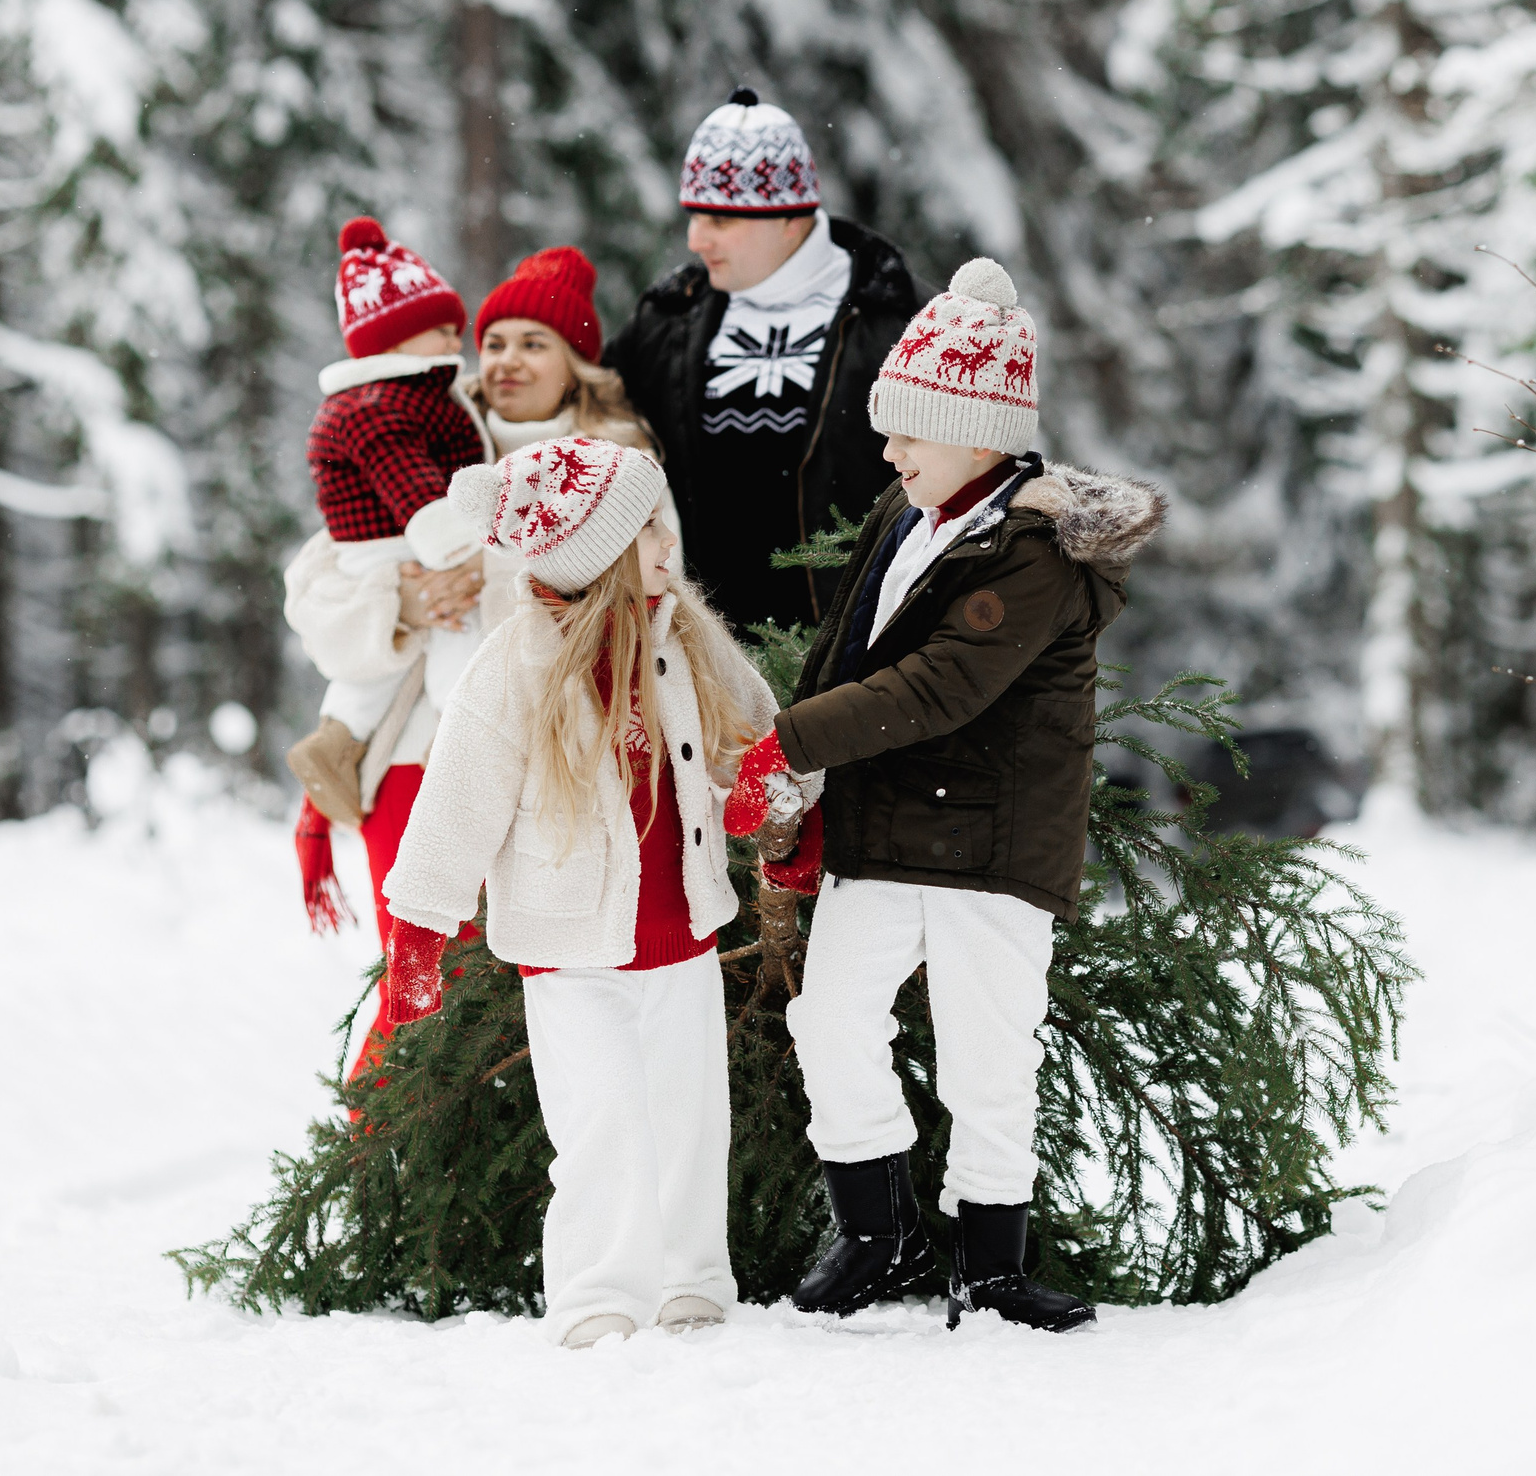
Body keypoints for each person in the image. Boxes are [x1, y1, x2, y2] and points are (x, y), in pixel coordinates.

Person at [724, 258, 1165, 1333]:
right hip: (884, 830)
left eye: (908, 430)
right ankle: (879, 1233)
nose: (890, 450)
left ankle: (991, 1261)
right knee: (828, 1023)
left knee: (987, 1052)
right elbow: (846, 653)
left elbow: (940, 687)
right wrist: (805, 783)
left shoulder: (1035, 552)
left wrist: (788, 742)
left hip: (994, 845)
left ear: (978, 431)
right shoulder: (906, 510)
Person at [377, 438, 777, 1348]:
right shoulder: (516, 665)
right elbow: (456, 802)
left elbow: (756, 740)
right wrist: (420, 925)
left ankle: (690, 1280)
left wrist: (772, 795)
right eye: (644, 529)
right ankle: (601, 1292)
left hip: (681, 934)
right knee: (602, 1123)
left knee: (689, 1115)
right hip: (569, 948)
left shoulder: (686, 639)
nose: (666, 544)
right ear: (591, 551)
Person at [283, 241, 666, 1087]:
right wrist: (402, 606)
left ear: (577, 362)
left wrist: (488, 577)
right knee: (424, 973)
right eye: (493, 341)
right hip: (414, 754)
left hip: (550, 761)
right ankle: (387, 1156)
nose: (505, 360)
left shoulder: (617, 466)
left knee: (530, 988)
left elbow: (647, 599)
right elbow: (318, 584)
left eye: (534, 342)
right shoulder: (424, 430)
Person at [601, 87, 924, 631]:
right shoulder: (665, 321)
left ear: (791, 219)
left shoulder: (901, 320)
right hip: (696, 652)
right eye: (693, 216)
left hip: (856, 657)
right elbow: (581, 423)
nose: (695, 239)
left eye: (720, 220)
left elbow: (975, 482)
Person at [284, 217, 482, 830]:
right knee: (459, 626)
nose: (457, 339)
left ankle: (338, 737)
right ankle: (460, 733)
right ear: (393, 339)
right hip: (398, 543)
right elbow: (413, 488)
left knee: (392, 657)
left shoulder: (394, 395)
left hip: (377, 546)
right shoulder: (380, 404)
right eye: (441, 329)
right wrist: (459, 547)